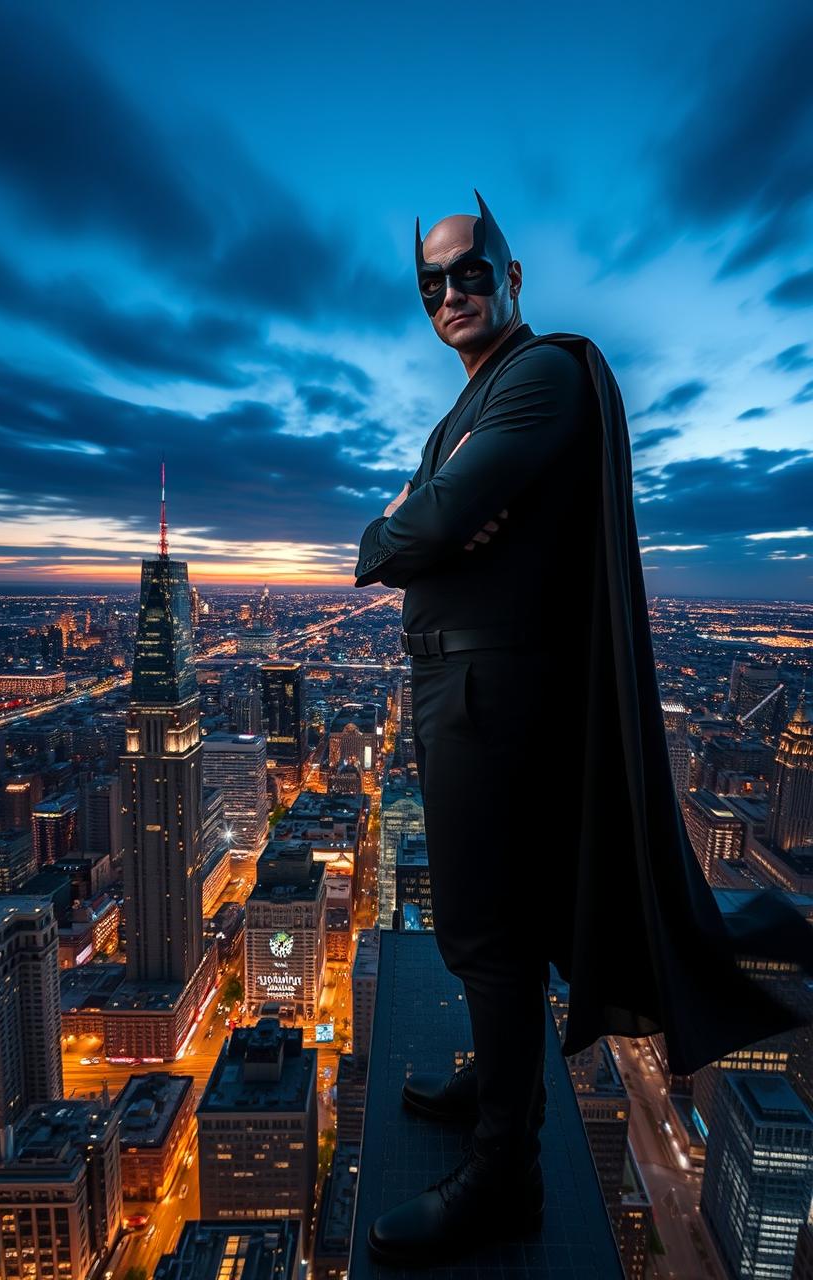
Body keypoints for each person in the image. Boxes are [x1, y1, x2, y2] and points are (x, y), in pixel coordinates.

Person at [354, 190, 813, 1268]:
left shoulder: (544, 375)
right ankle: (493, 1078)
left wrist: (413, 528)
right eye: (432, 284)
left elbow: (405, 532)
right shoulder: (470, 404)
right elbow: (421, 525)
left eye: (470, 271)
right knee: (490, 916)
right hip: (461, 693)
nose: (452, 294)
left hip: (495, 698)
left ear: (511, 275)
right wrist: (424, 524)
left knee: (487, 926)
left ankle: (503, 1167)